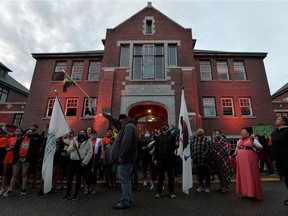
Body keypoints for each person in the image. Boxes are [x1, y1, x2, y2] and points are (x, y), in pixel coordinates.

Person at [110, 114, 138, 210]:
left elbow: (127, 142)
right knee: (126, 179)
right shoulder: (127, 126)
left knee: (124, 179)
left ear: (126, 119)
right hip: (125, 159)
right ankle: (126, 198)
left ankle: (125, 201)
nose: (119, 122)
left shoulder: (129, 126)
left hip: (124, 160)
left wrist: (122, 156)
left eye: (120, 120)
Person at [3, 129, 41, 197]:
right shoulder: (19, 140)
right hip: (18, 159)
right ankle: (10, 189)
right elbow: (15, 150)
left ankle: (23, 189)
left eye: (31, 132)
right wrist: (18, 158)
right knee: (14, 175)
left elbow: (33, 152)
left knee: (24, 175)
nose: (29, 133)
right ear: (25, 133)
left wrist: (26, 159)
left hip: (26, 160)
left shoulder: (33, 142)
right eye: (28, 131)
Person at [61, 129, 92, 201]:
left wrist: (84, 163)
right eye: (80, 132)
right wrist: (73, 147)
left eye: (83, 132)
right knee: (69, 178)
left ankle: (76, 194)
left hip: (80, 162)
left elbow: (90, 153)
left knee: (78, 178)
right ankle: (68, 194)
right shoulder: (74, 140)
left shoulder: (88, 142)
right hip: (72, 161)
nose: (82, 133)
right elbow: (68, 150)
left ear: (85, 134)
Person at [234, 127, 263, 201]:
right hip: (241, 161)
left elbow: (261, 148)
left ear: (248, 133)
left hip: (250, 159)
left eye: (243, 131)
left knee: (251, 174)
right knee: (244, 176)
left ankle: (255, 193)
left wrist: (254, 145)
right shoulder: (239, 141)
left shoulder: (253, 139)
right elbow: (236, 150)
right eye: (241, 131)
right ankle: (247, 192)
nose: (241, 133)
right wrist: (234, 156)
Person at [153, 123, 177, 199]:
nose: (164, 129)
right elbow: (156, 149)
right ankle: (159, 192)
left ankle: (171, 192)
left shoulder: (172, 137)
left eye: (165, 127)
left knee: (171, 176)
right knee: (160, 176)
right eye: (163, 128)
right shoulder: (159, 138)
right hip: (161, 159)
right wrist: (155, 159)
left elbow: (174, 148)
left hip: (170, 159)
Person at [271, 116, 288, 205]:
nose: (276, 120)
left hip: (286, 159)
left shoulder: (286, 131)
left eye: (278, 119)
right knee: (286, 179)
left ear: (284, 122)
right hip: (279, 160)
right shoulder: (274, 133)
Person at [0, 128, 23, 195]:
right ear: (14, 132)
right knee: (5, 173)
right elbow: (5, 149)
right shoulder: (10, 139)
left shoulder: (22, 140)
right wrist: (9, 148)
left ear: (22, 133)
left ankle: (10, 189)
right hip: (8, 156)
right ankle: (2, 188)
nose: (18, 132)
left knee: (14, 174)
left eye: (19, 131)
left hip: (16, 158)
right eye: (17, 131)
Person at [190, 128, 211, 193]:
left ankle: (207, 187)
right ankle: (201, 186)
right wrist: (193, 156)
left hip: (205, 161)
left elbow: (208, 149)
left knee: (207, 175)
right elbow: (191, 149)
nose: (198, 132)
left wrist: (203, 156)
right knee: (199, 175)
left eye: (199, 131)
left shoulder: (206, 140)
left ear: (202, 133)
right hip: (196, 161)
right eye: (197, 131)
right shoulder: (193, 141)